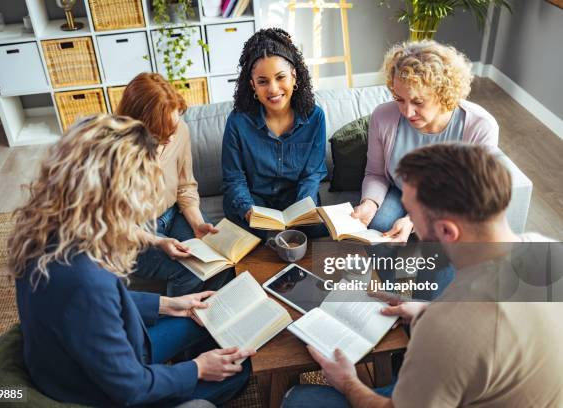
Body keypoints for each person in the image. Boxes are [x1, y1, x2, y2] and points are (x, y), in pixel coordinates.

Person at [282, 144, 563, 408]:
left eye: (413, 216)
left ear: (447, 232)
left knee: (298, 398)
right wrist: (426, 308)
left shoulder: (445, 330)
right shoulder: (548, 250)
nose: (409, 224)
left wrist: (347, 381)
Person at [8, 115, 254, 407]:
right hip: (99, 394)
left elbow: (99, 305)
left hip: (96, 360)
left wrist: (172, 304)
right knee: (240, 372)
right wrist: (198, 368)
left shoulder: (48, 230)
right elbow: (130, 388)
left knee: (206, 319)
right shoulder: (84, 280)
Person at [352, 40, 499, 242]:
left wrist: (413, 221)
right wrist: (369, 203)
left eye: (418, 102)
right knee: (378, 228)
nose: (407, 112)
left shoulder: (480, 127)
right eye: (399, 98)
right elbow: (376, 173)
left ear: (443, 93)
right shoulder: (383, 116)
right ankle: (379, 275)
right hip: (402, 190)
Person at [115, 72, 233, 296]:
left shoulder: (179, 132)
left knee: (222, 262)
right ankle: (181, 318)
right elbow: (115, 225)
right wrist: (158, 242)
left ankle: (212, 314)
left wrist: (197, 223)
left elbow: (185, 185)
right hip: (135, 235)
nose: (170, 138)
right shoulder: (112, 155)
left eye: (173, 127)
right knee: (190, 270)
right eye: (159, 133)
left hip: (174, 214)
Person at [222, 28, 329, 240]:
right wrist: (250, 211)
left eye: (280, 77)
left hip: (298, 202)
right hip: (255, 203)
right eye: (262, 81)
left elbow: (312, 174)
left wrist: (301, 212)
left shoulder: (315, 117)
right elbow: (234, 179)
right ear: (252, 84)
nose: (273, 89)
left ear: (294, 76)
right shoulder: (237, 122)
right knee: (261, 239)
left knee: (322, 235)